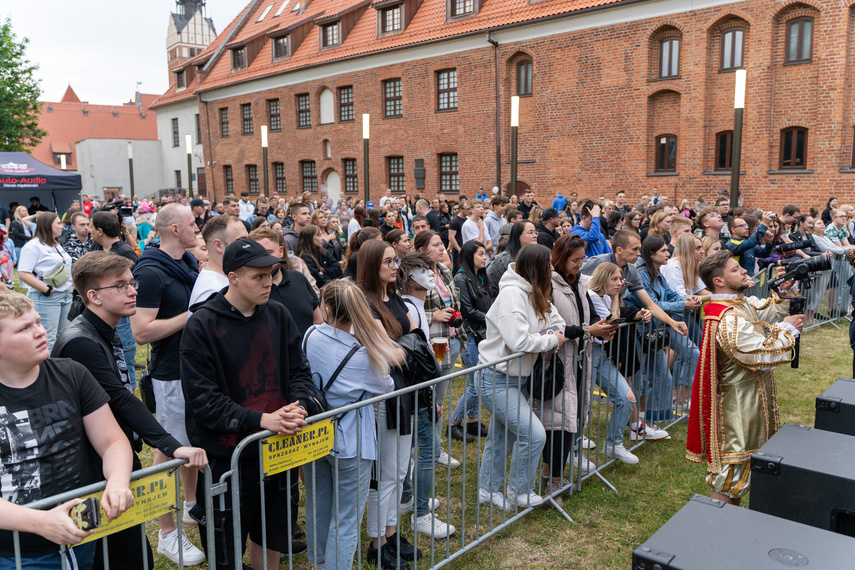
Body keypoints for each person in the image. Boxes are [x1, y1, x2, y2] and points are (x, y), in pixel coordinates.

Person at [53, 252, 209, 570]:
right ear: (93, 296)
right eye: (121, 285)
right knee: (119, 556)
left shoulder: (103, 329)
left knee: (134, 553)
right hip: (91, 468)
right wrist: (173, 445)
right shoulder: (81, 342)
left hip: (112, 456)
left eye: (131, 282)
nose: (133, 290)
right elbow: (120, 400)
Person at [182, 239, 323, 569]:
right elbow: (204, 401)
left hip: (280, 451)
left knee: (272, 535)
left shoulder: (277, 313)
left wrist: (299, 406)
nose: (268, 283)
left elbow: (299, 370)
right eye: (258, 276)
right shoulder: (201, 326)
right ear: (232, 277)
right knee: (226, 549)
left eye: (271, 274)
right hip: (228, 459)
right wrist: (264, 421)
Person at [0, 290, 134, 569]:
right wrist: (40, 522)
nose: (40, 332)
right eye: (24, 328)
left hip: (79, 536)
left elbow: (112, 441)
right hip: (13, 552)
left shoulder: (72, 374)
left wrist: (118, 481)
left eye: (37, 322)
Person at [687, 250, 803, 505]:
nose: (744, 271)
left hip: (749, 400)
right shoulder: (726, 316)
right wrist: (788, 333)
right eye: (735, 269)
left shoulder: (736, 304)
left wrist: (784, 290)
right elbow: (755, 355)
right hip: (737, 407)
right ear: (718, 280)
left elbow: (765, 311)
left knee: (743, 471)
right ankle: (719, 533)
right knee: (732, 476)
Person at [130, 203, 205, 564]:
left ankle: (190, 506)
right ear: (174, 229)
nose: (198, 228)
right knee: (169, 447)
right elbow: (141, 331)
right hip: (170, 372)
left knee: (190, 440)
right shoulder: (150, 272)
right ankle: (167, 532)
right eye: (192, 223)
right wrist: (190, 317)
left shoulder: (188, 262)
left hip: (193, 367)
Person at [477, 244, 564, 511]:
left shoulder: (535, 292)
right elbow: (518, 340)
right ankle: (519, 490)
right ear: (535, 267)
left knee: (503, 438)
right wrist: (550, 339)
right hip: (496, 378)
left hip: (518, 378)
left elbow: (557, 322)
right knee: (534, 434)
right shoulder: (513, 294)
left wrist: (551, 335)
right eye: (547, 263)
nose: (552, 268)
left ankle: (487, 489)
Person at [357, 240, 422, 568]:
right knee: (383, 474)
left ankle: (392, 533)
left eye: (395, 260)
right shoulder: (364, 305)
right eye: (388, 261)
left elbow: (412, 335)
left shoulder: (394, 298)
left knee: (399, 470)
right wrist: (403, 343)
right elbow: (388, 352)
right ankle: (377, 542)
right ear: (371, 266)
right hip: (382, 397)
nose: (395, 265)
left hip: (404, 391)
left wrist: (401, 343)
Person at [540, 236, 616, 498]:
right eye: (575, 260)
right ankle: (550, 480)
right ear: (559, 258)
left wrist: (601, 329)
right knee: (557, 423)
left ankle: (555, 478)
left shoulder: (582, 283)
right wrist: (587, 330)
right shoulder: (547, 284)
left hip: (581, 359)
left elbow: (590, 316)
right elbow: (552, 325)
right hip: (558, 362)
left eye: (582, 259)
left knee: (573, 420)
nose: (580, 264)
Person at [626, 236, 700, 434]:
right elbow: (653, 304)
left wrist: (686, 298)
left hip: (660, 329)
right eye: (664, 251)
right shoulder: (641, 274)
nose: (668, 253)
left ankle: (652, 420)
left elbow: (669, 294)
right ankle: (638, 421)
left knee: (664, 374)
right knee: (639, 378)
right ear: (652, 254)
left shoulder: (658, 274)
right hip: (642, 332)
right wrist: (682, 305)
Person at [587, 262, 651, 464]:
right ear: (602, 278)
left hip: (602, 356)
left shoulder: (605, 297)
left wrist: (640, 314)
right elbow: (612, 321)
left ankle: (613, 444)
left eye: (619, 279)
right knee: (581, 406)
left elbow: (619, 315)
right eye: (614, 279)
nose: (619, 283)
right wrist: (615, 298)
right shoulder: (592, 296)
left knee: (627, 396)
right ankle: (572, 450)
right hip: (586, 356)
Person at [450, 241, 493, 443]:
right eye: (481, 254)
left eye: (485, 254)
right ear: (470, 256)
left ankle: (473, 422)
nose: (485, 258)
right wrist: (493, 318)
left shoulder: (480, 276)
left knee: (476, 383)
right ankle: (453, 423)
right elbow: (467, 311)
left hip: (483, 335)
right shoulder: (461, 278)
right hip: (471, 336)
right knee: (477, 385)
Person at [16, 213, 74, 352]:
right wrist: (45, 289)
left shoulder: (55, 244)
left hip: (65, 295)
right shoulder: (32, 246)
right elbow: (23, 273)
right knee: (47, 338)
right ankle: (44, 372)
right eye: (59, 223)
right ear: (48, 225)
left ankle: (56, 369)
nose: (62, 226)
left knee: (62, 337)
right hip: (46, 298)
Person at [250, 228, 322, 336]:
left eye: (269, 252)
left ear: (280, 252)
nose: (264, 259)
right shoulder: (249, 291)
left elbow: (317, 320)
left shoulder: (299, 278)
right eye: (258, 254)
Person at [188, 214, 249, 310]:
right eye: (241, 241)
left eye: (248, 240)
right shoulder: (212, 292)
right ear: (218, 246)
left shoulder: (223, 279)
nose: (248, 247)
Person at [487, 220, 538, 297]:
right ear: (518, 236)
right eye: (530, 232)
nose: (535, 236)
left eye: (535, 232)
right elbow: (492, 291)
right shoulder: (500, 262)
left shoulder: (537, 257)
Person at [447, 199, 469, 272]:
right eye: (467, 209)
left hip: (466, 249)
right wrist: (459, 249)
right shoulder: (455, 221)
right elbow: (451, 237)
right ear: (461, 209)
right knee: (457, 270)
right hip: (458, 251)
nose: (469, 211)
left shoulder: (467, 220)